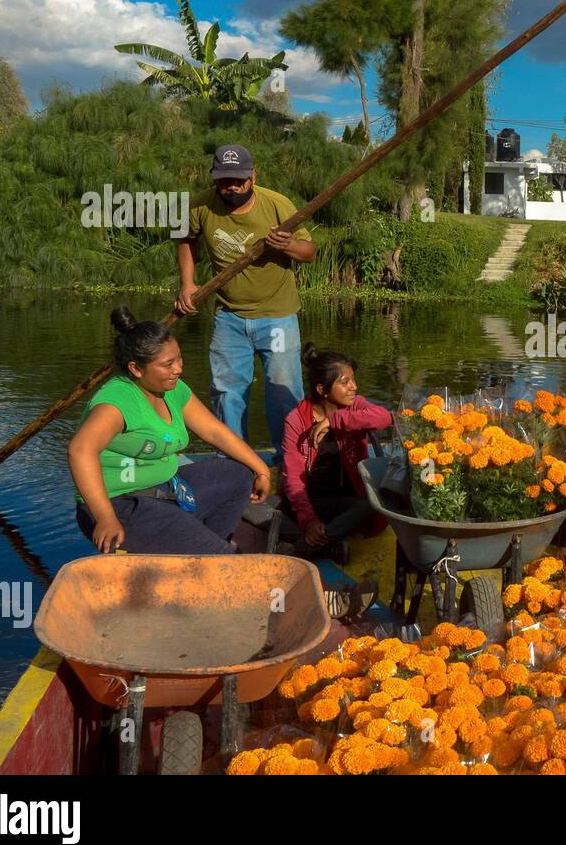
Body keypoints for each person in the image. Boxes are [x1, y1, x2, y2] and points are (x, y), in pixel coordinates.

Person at [68, 307, 273, 554]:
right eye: (168, 364)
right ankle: (212, 555)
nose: (178, 369)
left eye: (179, 358)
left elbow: (213, 431)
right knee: (229, 561)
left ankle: (204, 548)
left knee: (239, 475)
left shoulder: (172, 388)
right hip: (122, 505)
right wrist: (105, 517)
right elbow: (80, 450)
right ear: (135, 369)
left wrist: (261, 470)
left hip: (166, 489)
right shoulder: (117, 402)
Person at [174, 144, 316, 460]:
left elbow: (309, 252)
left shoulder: (277, 204)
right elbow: (185, 239)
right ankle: (236, 460)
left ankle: (290, 459)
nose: (232, 187)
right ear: (214, 178)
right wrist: (187, 284)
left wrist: (288, 245)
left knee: (283, 392)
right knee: (227, 392)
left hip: (277, 315)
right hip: (229, 316)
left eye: (239, 179)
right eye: (224, 180)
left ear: (253, 175)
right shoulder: (201, 206)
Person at [279, 343, 392, 562]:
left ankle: (308, 545)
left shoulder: (354, 407)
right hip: (312, 502)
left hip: (350, 502)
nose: (354, 387)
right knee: (256, 506)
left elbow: (384, 417)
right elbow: (293, 478)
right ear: (322, 390)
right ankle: (327, 543)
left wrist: (335, 421)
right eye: (345, 382)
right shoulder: (296, 420)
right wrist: (309, 521)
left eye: (352, 380)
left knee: (375, 502)